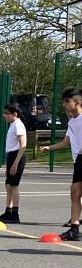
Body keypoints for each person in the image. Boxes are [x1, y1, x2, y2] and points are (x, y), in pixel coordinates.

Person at [39, 87, 82, 240]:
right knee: (75, 193)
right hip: (80, 159)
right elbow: (65, 142)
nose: (64, 104)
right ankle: (74, 230)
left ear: (77, 102)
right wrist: (49, 148)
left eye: (67, 101)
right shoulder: (72, 122)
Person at [0, 104, 27, 223]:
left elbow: (23, 145)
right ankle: (8, 211)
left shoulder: (18, 125)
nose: (4, 115)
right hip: (12, 156)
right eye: (4, 113)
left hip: (18, 156)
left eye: (7, 113)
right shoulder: (12, 125)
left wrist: (16, 163)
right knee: (8, 186)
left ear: (14, 114)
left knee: (14, 186)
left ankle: (15, 214)